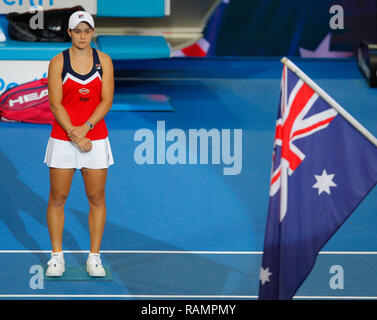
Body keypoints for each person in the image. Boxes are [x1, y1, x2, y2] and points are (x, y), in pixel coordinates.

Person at [43, 11, 114, 277]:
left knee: (96, 198)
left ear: (92, 33)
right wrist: (75, 133)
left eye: (87, 31)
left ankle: (93, 257)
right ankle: (56, 256)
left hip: (95, 138)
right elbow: (55, 103)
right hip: (63, 139)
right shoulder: (57, 62)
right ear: (69, 33)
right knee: (58, 197)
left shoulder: (104, 61)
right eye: (78, 31)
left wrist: (86, 128)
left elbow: (106, 100)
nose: (83, 36)